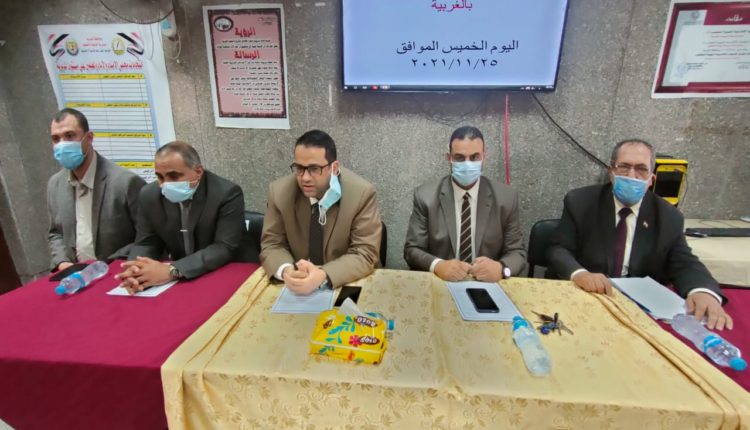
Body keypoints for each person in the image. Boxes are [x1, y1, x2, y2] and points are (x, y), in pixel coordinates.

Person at [547, 139, 732, 330]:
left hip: (637, 309)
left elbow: (684, 262)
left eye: (641, 169)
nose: (632, 175)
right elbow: (559, 249)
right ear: (611, 172)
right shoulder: (580, 202)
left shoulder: (669, 216)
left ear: (651, 179)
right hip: (586, 296)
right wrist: (579, 273)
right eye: (624, 167)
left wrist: (702, 290)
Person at [115, 141, 256, 293]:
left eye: (174, 176)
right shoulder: (149, 195)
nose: (165, 184)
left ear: (198, 171)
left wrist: (173, 270)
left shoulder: (226, 193)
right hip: (182, 275)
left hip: (228, 269)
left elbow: (223, 247)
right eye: (160, 177)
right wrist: (135, 271)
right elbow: (146, 242)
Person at [261, 130, 382, 295]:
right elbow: (272, 244)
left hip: (345, 280)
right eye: (299, 168)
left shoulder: (361, 193)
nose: (305, 178)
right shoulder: (279, 192)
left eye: (314, 168)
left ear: (334, 168)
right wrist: (286, 270)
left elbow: (365, 253)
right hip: (298, 285)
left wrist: (323, 275)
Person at [404, 126, 526, 282]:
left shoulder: (506, 198)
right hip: (442, 280)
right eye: (459, 158)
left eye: (474, 157)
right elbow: (412, 250)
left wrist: (502, 269)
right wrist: (438, 265)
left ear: (484, 157)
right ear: (449, 158)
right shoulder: (425, 196)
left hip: (488, 283)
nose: (467, 164)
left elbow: (517, 252)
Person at [47, 108, 145, 271]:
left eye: (70, 136)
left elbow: (147, 238)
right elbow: (56, 233)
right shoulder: (54, 184)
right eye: (56, 139)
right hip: (76, 276)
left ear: (89, 138)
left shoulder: (126, 183)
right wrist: (62, 262)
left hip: (119, 272)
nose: (62, 144)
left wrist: (109, 266)